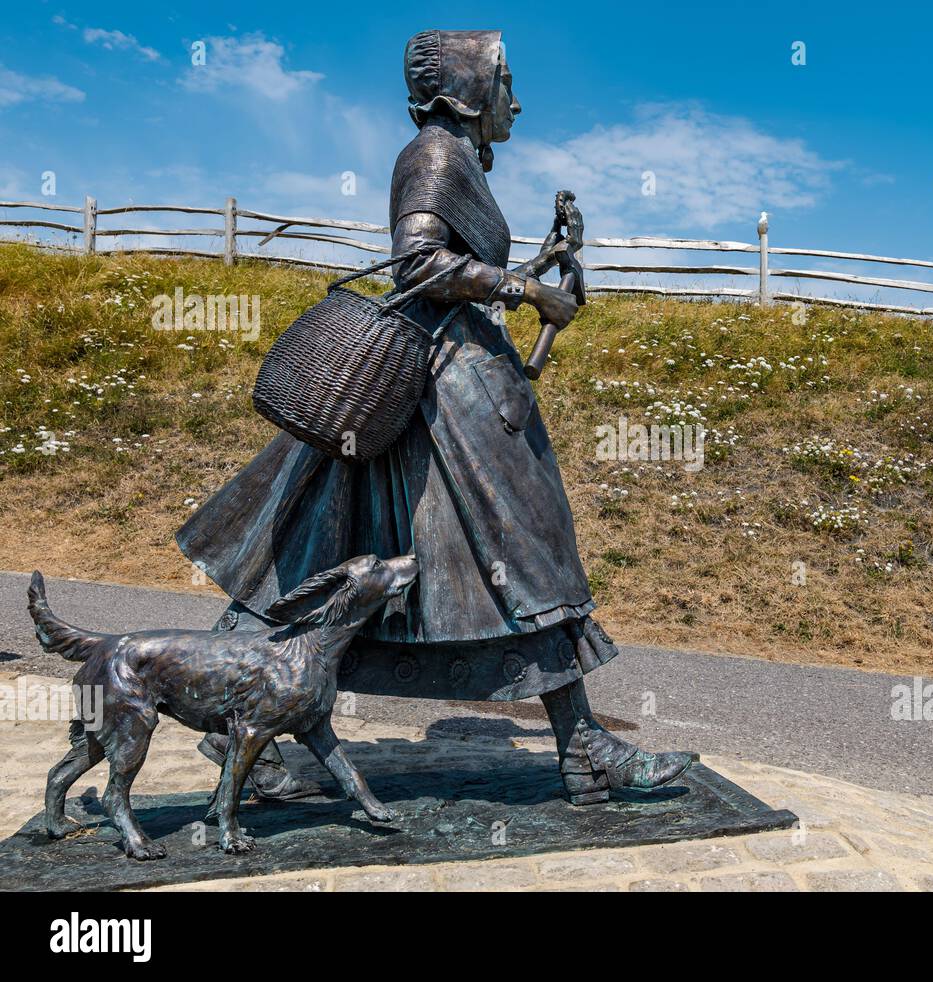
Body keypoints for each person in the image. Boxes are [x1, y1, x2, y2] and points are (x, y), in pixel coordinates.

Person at [177, 29, 692, 806]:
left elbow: (454, 271)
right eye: (504, 82)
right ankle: (581, 744)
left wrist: (538, 269)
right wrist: (526, 294)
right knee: (520, 546)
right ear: (465, 90)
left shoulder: (452, 162)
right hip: (437, 392)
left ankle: (581, 742)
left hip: (460, 378)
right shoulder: (435, 155)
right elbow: (417, 264)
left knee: (365, 539)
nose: (515, 101)